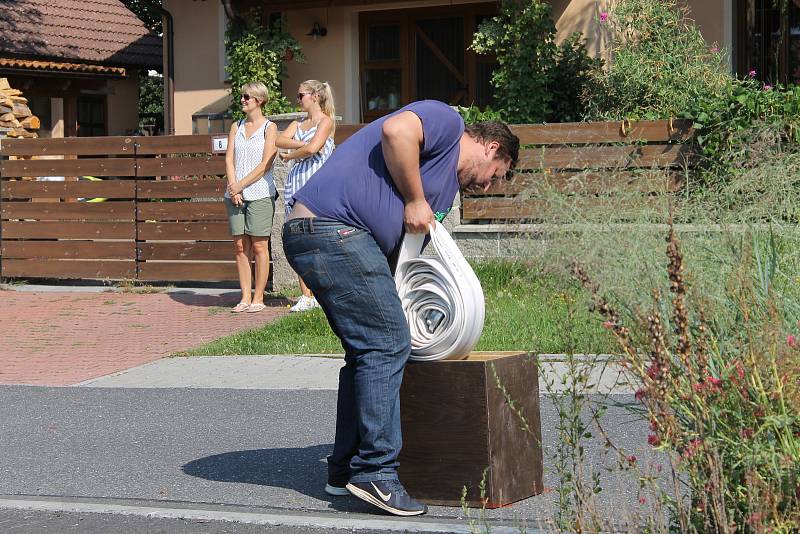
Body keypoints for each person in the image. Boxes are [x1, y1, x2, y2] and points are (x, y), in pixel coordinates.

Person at [282, 100, 519, 516]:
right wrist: (413, 200)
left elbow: (409, 252)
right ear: (493, 148)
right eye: (495, 177)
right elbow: (396, 131)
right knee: (388, 343)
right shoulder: (449, 122)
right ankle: (376, 472)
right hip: (331, 229)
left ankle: (344, 472)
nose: (487, 187)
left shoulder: (444, 184)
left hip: (329, 236)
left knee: (367, 353)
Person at [277, 80, 336, 313]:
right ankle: (306, 295)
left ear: (314, 96)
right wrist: (303, 144)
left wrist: (290, 155)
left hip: (317, 186)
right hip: (295, 186)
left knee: (319, 240)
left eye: (301, 95)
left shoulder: (326, 121)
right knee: (298, 241)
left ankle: (324, 293)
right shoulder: (298, 124)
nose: (298, 99)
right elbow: (278, 140)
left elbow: (314, 150)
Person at [224, 81, 279, 313]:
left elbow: (265, 165)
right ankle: (245, 296)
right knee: (239, 246)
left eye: (247, 97)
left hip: (259, 194)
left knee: (259, 246)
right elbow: (229, 158)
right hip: (234, 194)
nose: (243, 100)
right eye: (242, 97)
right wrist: (233, 187)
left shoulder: (270, 127)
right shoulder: (236, 126)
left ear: (259, 100)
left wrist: (240, 186)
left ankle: (259, 297)